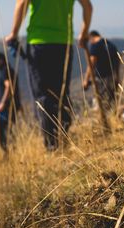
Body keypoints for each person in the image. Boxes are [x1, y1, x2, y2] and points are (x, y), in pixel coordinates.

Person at [6, 0, 93, 151]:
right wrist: (84, 32)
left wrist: (13, 33)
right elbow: (88, 7)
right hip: (64, 43)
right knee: (62, 92)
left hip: (39, 43)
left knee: (42, 95)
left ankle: (52, 144)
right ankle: (64, 136)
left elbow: (21, 4)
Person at [0, 52, 22, 156]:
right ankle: (12, 151)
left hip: (8, 107)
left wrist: (3, 103)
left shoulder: (4, 71)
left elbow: (9, 86)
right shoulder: (9, 70)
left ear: (0, 60)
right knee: (9, 130)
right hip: (13, 105)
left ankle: (8, 152)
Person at [83, 31, 120, 112]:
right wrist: (117, 77)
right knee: (111, 103)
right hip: (112, 78)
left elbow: (91, 64)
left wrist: (86, 80)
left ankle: (101, 121)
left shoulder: (95, 45)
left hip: (101, 79)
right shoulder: (111, 45)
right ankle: (112, 119)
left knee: (100, 103)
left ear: (91, 37)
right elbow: (118, 62)